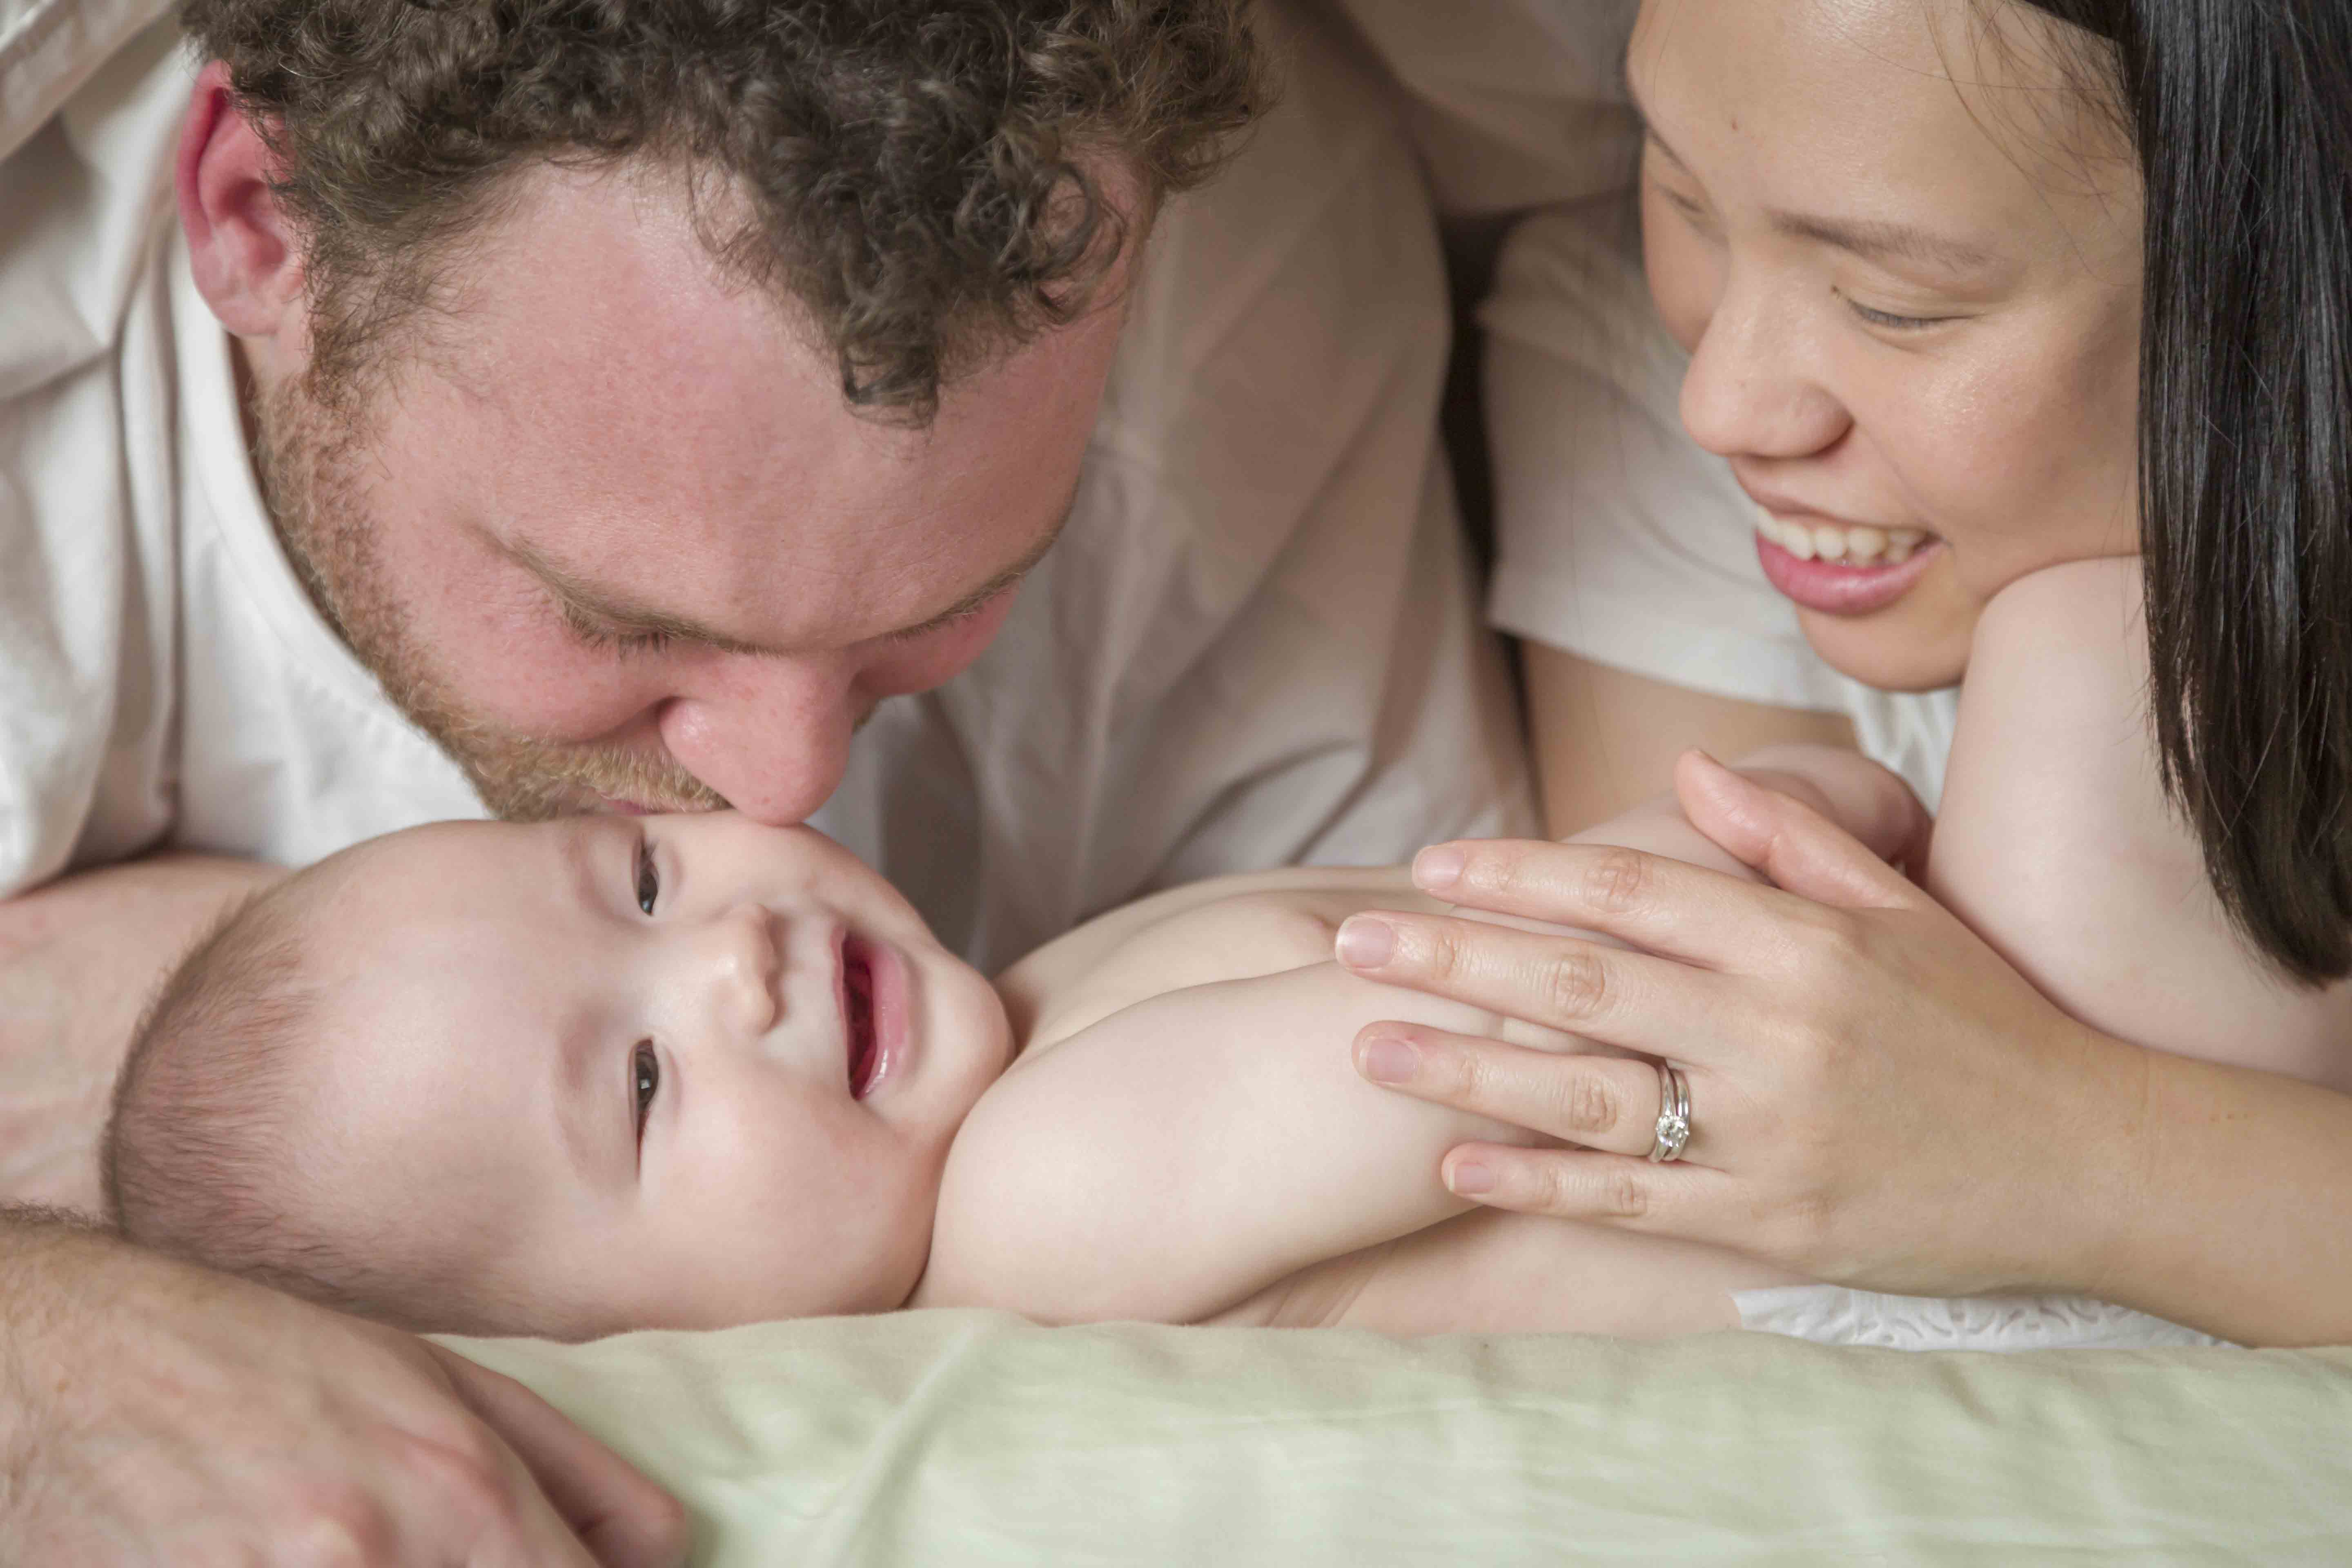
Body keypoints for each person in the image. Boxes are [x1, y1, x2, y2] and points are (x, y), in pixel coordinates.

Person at [0, 0, 1565, 1556]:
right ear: (261, 220)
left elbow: (1514, 1085)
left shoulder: (1224, 317)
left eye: (943, 610)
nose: (780, 791)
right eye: (629, 621)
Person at [1339, 0, 2352, 1349]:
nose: (1728, 407)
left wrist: (2083, 1148)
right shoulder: (1643, 382)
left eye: (1900, 305)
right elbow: (1760, 1153)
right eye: (1685, 196)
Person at [96, 728, 2214, 1348]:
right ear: (640, 1352)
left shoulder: (1053, 1004)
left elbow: (1545, 936)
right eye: (639, 1089)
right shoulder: (1040, 1198)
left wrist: (1726, 830)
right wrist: (1766, 828)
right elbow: (1511, 1021)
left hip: (1956, 1139)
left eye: (642, 888)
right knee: (2087, 673)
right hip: (1974, 1276)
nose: (724, 970)